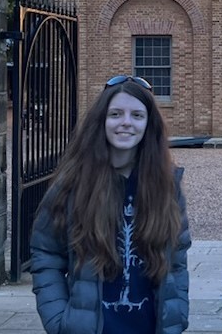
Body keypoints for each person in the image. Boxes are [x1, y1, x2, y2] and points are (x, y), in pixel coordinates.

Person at [30, 75, 191, 334]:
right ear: (102, 120)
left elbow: (177, 256)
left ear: (149, 124)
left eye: (137, 115)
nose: (126, 123)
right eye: (116, 114)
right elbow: (46, 252)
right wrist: (59, 320)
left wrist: (177, 312)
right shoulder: (73, 183)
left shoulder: (166, 185)